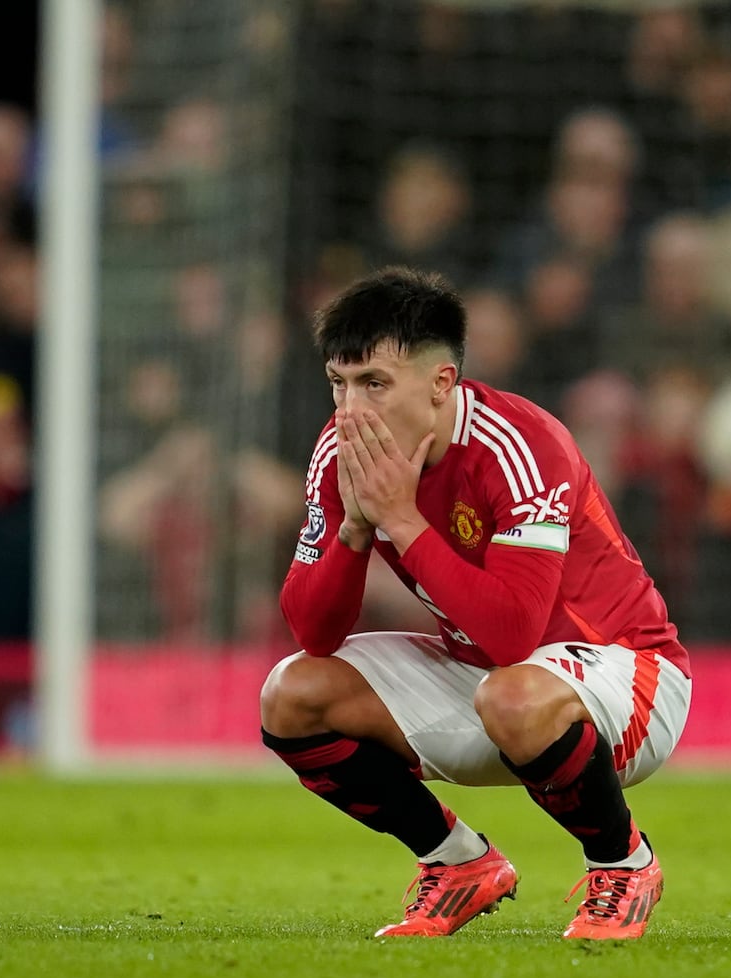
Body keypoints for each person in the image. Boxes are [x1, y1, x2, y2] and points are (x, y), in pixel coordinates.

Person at [259, 268, 692, 940]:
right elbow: (314, 629)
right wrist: (352, 529)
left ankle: (622, 863)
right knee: (291, 692)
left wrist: (401, 520)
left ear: (440, 384)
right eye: (339, 383)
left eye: (374, 382)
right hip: (488, 677)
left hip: (626, 678)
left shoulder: (521, 445)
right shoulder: (340, 453)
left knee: (514, 693)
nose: (350, 409)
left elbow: (515, 629)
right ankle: (457, 861)